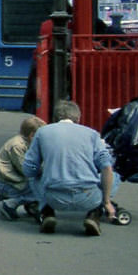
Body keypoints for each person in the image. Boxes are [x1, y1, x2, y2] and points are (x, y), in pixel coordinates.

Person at [22, 100, 119, 236]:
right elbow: (106, 168)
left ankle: (47, 212)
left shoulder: (42, 133)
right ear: (78, 118)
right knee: (115, 176)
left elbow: (29, 168)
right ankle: (94, 215)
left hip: (54, 197)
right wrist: (107, 201)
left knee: (34, 178)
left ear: (55, 118)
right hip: (87, 196)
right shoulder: (92, 134)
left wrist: (42, 172)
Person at [0, 115, 46, 221]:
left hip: (10, 177)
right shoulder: (17, 146)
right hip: (8, 180)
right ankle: (10, 204)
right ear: (32, 135)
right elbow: (25, 169)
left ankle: (28, 203)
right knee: (42, 190)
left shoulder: (25, 142)